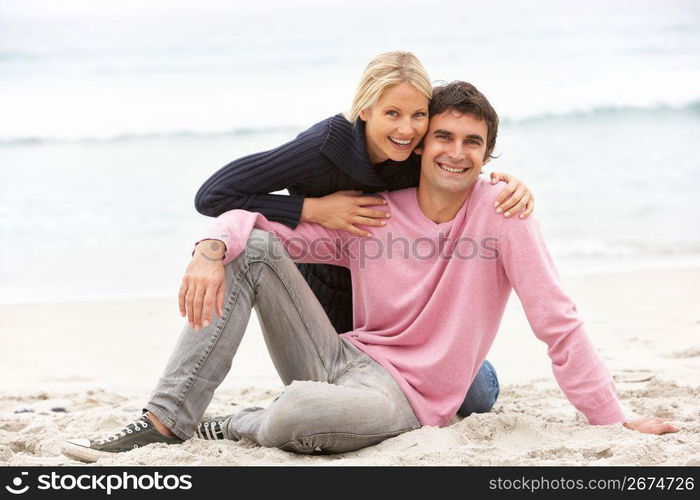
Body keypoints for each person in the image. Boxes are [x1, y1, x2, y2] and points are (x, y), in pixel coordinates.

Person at [62, 81, 678, 463]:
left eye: (472, 142)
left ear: (489, 155)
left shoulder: (503, 213)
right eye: (442, 136)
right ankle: (167, 420)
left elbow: (556, 321)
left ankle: (238, 421)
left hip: (411, 395)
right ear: (421, 143)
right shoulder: (378, 212)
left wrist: (612, 420)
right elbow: (261, 227)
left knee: (299, 416)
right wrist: (207, 248)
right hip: (341, 359)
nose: (454, 152)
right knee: (245, 249)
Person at [193, 51, 535, 418]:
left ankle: (467, 365)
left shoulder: (415, 153)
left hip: (406, 323)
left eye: (418, 115)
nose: (406, 129)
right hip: (325, 307)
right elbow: (214, 195)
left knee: (478, 398)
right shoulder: (323, 147)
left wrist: (506, 186)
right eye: (393, 113)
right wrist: (313, 209)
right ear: (366, 109)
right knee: (334, 396)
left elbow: (458, 168)